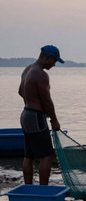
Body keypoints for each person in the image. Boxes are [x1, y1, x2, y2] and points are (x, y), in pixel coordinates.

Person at [18, 45, 64, 185]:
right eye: (54, 61)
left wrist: (31, 102)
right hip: (36, 117)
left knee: (29, 155)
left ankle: (28, 187)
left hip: (26, 114)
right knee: (46, 155)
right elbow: (47, 101)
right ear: (47, 58)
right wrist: (55, 121)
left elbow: (20, 91)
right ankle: (43, 189)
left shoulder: (28, 69)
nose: (54, 64)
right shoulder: (41, 75)